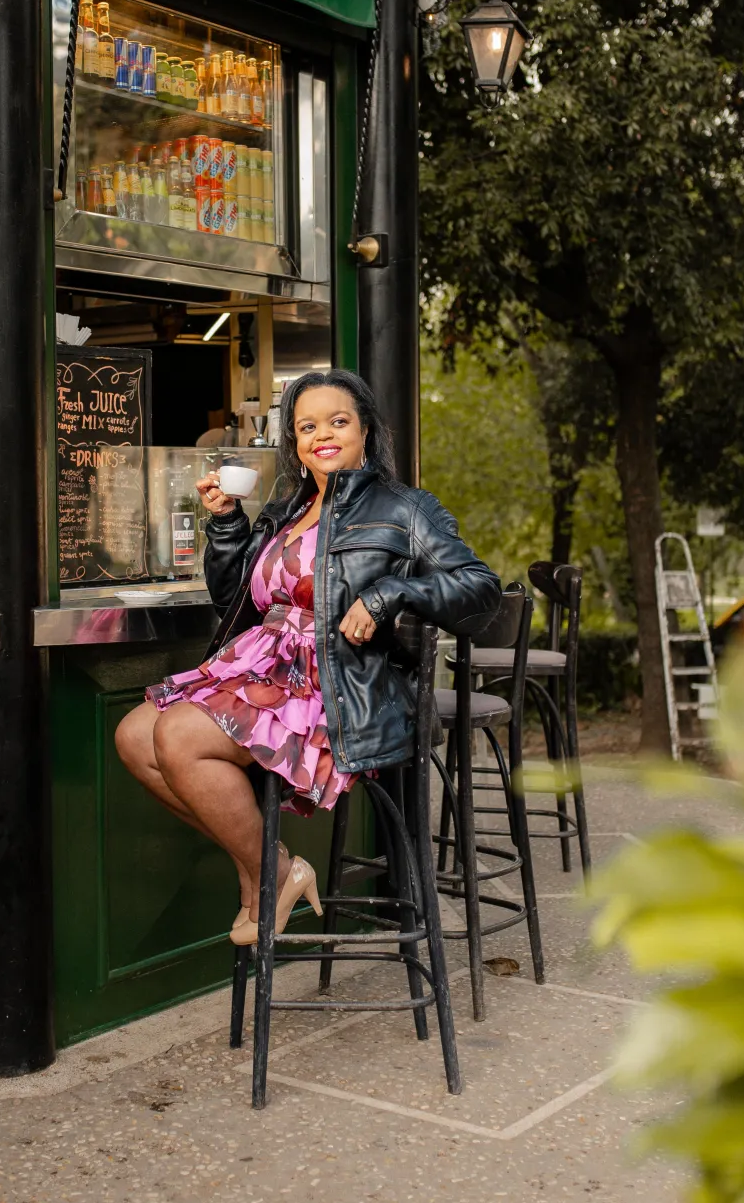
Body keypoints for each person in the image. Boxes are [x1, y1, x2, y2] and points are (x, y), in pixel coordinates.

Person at [114, 368, 499, 945]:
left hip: (335, 684)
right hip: (261, 667)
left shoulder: (405, 509)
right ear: (294, 442)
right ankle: (273, 869)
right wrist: (226, 524)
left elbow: (480, 589)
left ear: (365, 430)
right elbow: (234, 598)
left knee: (178, 737)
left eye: (338, 421)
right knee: (134, 735)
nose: (322, 435)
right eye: (306, 426)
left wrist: (389, 591)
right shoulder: (290, 510)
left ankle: (264, 882)